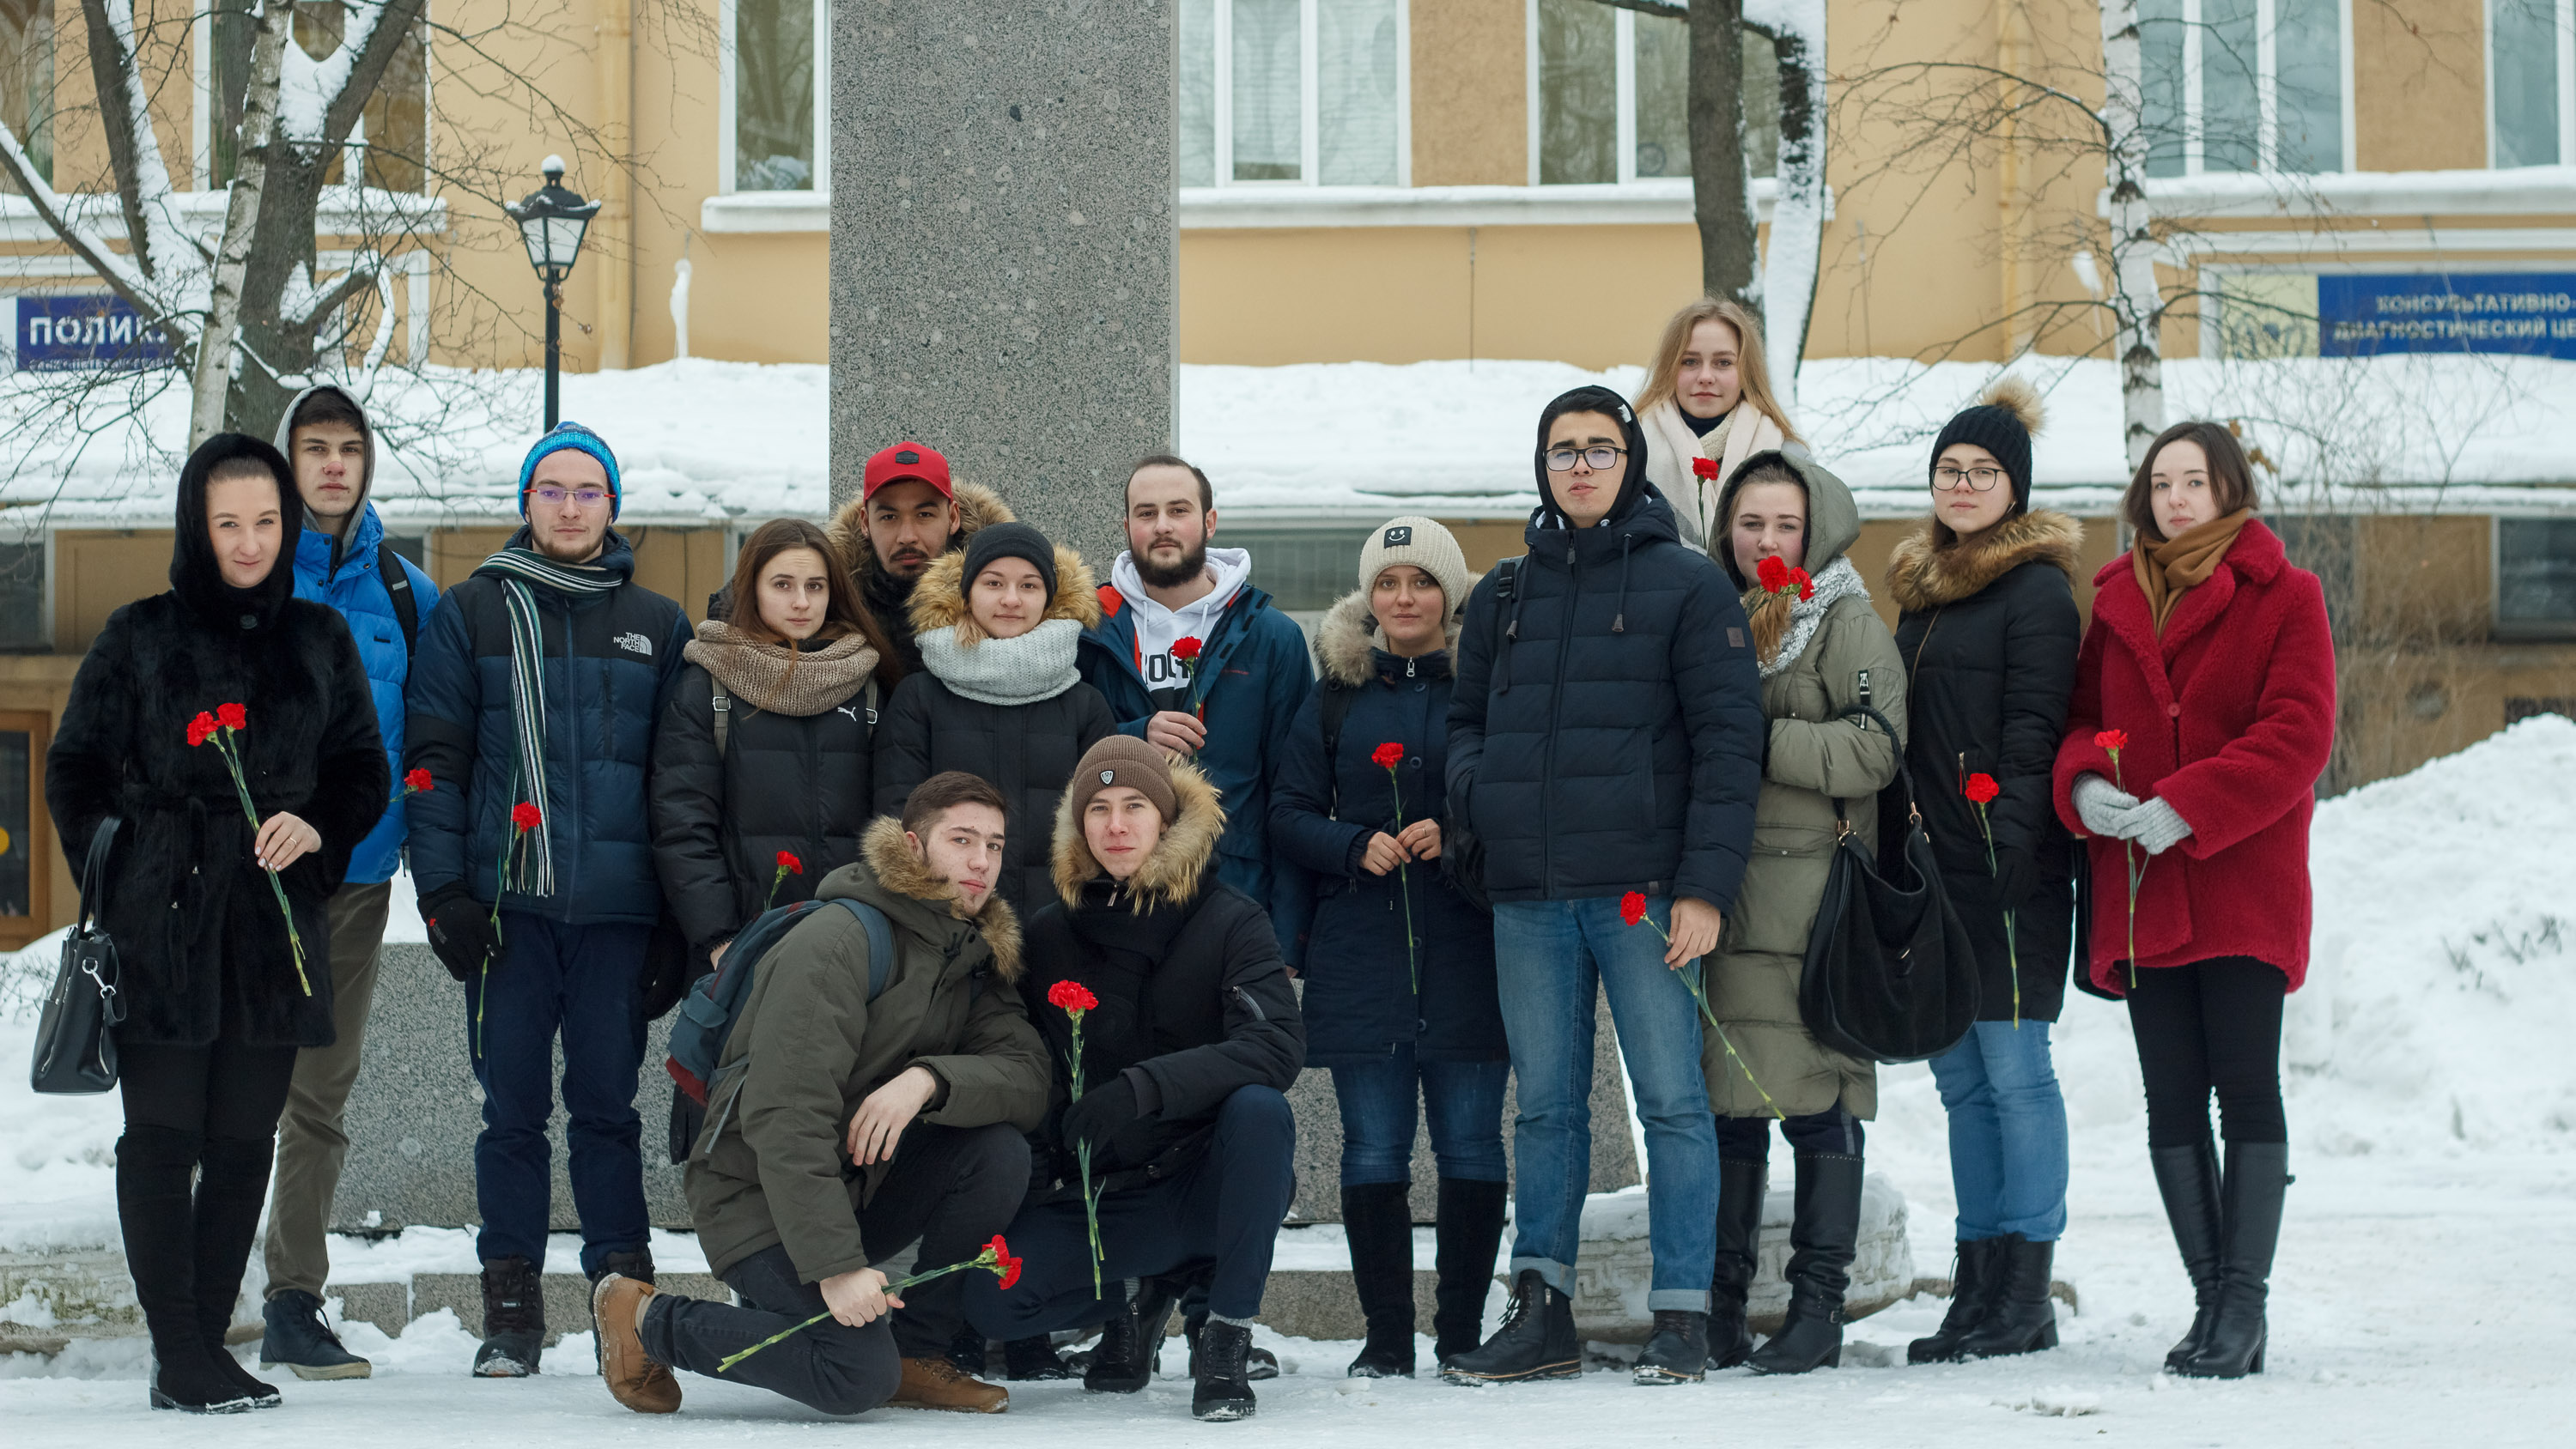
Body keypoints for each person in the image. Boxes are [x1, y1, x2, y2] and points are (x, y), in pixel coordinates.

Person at [46, 435, 388, 1413]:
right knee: (161, 1140)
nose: (249, 542)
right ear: (197, 526)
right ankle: (178, 1347)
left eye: (267, 521)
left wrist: (316, 828)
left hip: (273, 930)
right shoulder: (138, 634)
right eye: (228, 522)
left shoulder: (320, 637)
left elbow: (362, 769)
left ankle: (199, 1347)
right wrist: (130, 867)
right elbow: (73, 771)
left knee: (242, 1143)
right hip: (162, 931)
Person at [1443, 385, 1765, 1387]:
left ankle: (1684, 1315)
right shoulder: (1504, 594)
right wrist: (1482, 796)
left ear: (1630, 462)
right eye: (1562, 450)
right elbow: (1464, 724)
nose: (1580, 465)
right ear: (1542, 466)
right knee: (1545, 1109)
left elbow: (1729, 745)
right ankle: (1541, 1309)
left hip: (1645, 893)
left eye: (1598, 448)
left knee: (1672, 1103)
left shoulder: (1689, 585)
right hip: (1531, 894)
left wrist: (1705, 887)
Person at [595, 773, 1052, 1417]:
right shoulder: (840, 940)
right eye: (962, 840)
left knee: (997, 1153)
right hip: (756, 1196)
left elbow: (1027, 1077)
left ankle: (917, 1353)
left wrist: (928, 1081)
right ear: (913, 846)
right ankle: (647, 1319)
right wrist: (836, 1266)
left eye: (995, 846)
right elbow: (786, 1115)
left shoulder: (968, 955)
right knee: (853, 1375)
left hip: (855, 1187)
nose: (982, 861)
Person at [404, 421, 691, 1376]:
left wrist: (675, 921)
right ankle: (512, 1308)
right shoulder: (470, 612)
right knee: (512, 1112)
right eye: (552, 490)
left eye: (587, 491)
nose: (570, 507)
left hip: (617, 914)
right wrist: (442, 891)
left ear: (613, 505)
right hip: (506, 912)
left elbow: (675, 778)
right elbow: (435, 761)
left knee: (609, 1108)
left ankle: (626, 1302)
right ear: (526, 502)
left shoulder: (658, 622)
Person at [2053, 421, 2332, 1380]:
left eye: (2195, 481)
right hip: (2142, 884)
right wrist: (2087, 784)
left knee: (2245, 1086)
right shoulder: (2117, 599)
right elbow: (2082, 719)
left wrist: (2193, 804)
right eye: (2162, 482)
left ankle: (2243, 1306)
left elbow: (2299, 731)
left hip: (2243, 876)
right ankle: (2212, 1301)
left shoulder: (2287, 594)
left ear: (2228, 490)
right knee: (2170, 1094)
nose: (2176, 498)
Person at [965, 736, 1304, 1423]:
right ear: (1078, 825)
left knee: (1261, 1111)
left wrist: (1141, 1089)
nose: (1116, 826)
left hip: (1205, 1182)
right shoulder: (1048, 933)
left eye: (1134, 807)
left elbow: (1276, 1044)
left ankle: (1225, 1335)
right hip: (1108, 1196)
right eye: (1099, 809)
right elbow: (1027, 1058)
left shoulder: (1230, 919)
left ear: (1168, 819)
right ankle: (1131, 1301)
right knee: (991, 1300)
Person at [1268, 517, 1507, 1378]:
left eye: (1423, 581)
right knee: (1373, 1148)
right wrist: (1350, 844)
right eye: (1388, 583)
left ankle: (1461, 1331)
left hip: (1469, 944)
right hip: (1363, 948)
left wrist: (1459, 830)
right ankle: (1387, 1337)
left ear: (1451, 593)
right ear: (1369, 597)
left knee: (1471, 1145)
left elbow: (1522, 794)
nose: (1405, 598)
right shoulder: (1336, 693)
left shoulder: (1490, 684)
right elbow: (1287, 810)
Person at [1697, 447, 1908, 1376]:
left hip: (1815, 899)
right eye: (1751, 523)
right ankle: (1721, 1308)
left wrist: (1759, 736)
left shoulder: (1846, 619)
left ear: (1816, 530)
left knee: (1819, 1102)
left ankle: (1819, 1308)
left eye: (1786, 524)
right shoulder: (1710, 612)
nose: (1768, 540)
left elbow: (1876, 748)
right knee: (1729, 1103)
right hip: (1723, 890)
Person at [1887, 379, 2083, 1365]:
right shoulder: (1922, 593)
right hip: (1935, 871)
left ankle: (2026, 1289)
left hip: (2009, 867)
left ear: (2016, 488)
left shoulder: (2037, 590)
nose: (1962, 485)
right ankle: (1976, 1282)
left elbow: (2036, 726)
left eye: (1983, 471)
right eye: (1949, 469)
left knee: (2016, 1074)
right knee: (1962, 1082)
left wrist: (2011, 838)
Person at [257, 385, 440, 1380]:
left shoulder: (410, 595)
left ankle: (293, 1297)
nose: (333, 464)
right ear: (287, 461)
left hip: (358, 878)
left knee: (319, 1094)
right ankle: (196, 1288)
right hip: (247, 882)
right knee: (226, 1087)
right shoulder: (245, 575)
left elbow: (436, 737)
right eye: (314, 447)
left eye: (349, 448)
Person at [1077, 454, 1316, 965]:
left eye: (1178, 510)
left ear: (1209, 521)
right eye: (1146, 513)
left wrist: (1290, 934)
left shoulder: (1273, 637)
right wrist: (1136, 736)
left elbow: (1295, 792)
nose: (1162, 526)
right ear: (1126, 526)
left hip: (1235, 899)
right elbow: (1063, 748)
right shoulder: (1088, 630)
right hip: (1111, 900)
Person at [653, 518, 894, 973]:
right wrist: (720, 939)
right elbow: (682, 826)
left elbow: (894, 824)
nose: (802, 602)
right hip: (741, 950)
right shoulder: (708, 686)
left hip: (852, 948)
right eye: (782, 585)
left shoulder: (868, 687)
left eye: (815, 586)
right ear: (752, 589)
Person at [876, 520, 1115, 916]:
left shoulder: (1085, 706)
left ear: (1049, 598)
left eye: (1029, 585)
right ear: (967, 593)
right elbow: (898, 817)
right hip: (942, 922)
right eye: (993, 583)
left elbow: (1105, 820)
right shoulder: (919, 698)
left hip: (1061, 922)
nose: (1011, 599)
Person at [824, 440, 1016, 676]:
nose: (907, 537)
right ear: (865, 523)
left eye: (924, 515)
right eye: (889, 517)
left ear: (953, 517)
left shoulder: (1012, 601)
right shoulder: (828, 605)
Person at [1634, 296, 1802, 555]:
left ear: (1746, 372)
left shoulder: (1789, 456)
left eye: (1723, 363)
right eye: (1690, 361)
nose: (1705, 377)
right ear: (1669, 368)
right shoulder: (1629, 450)